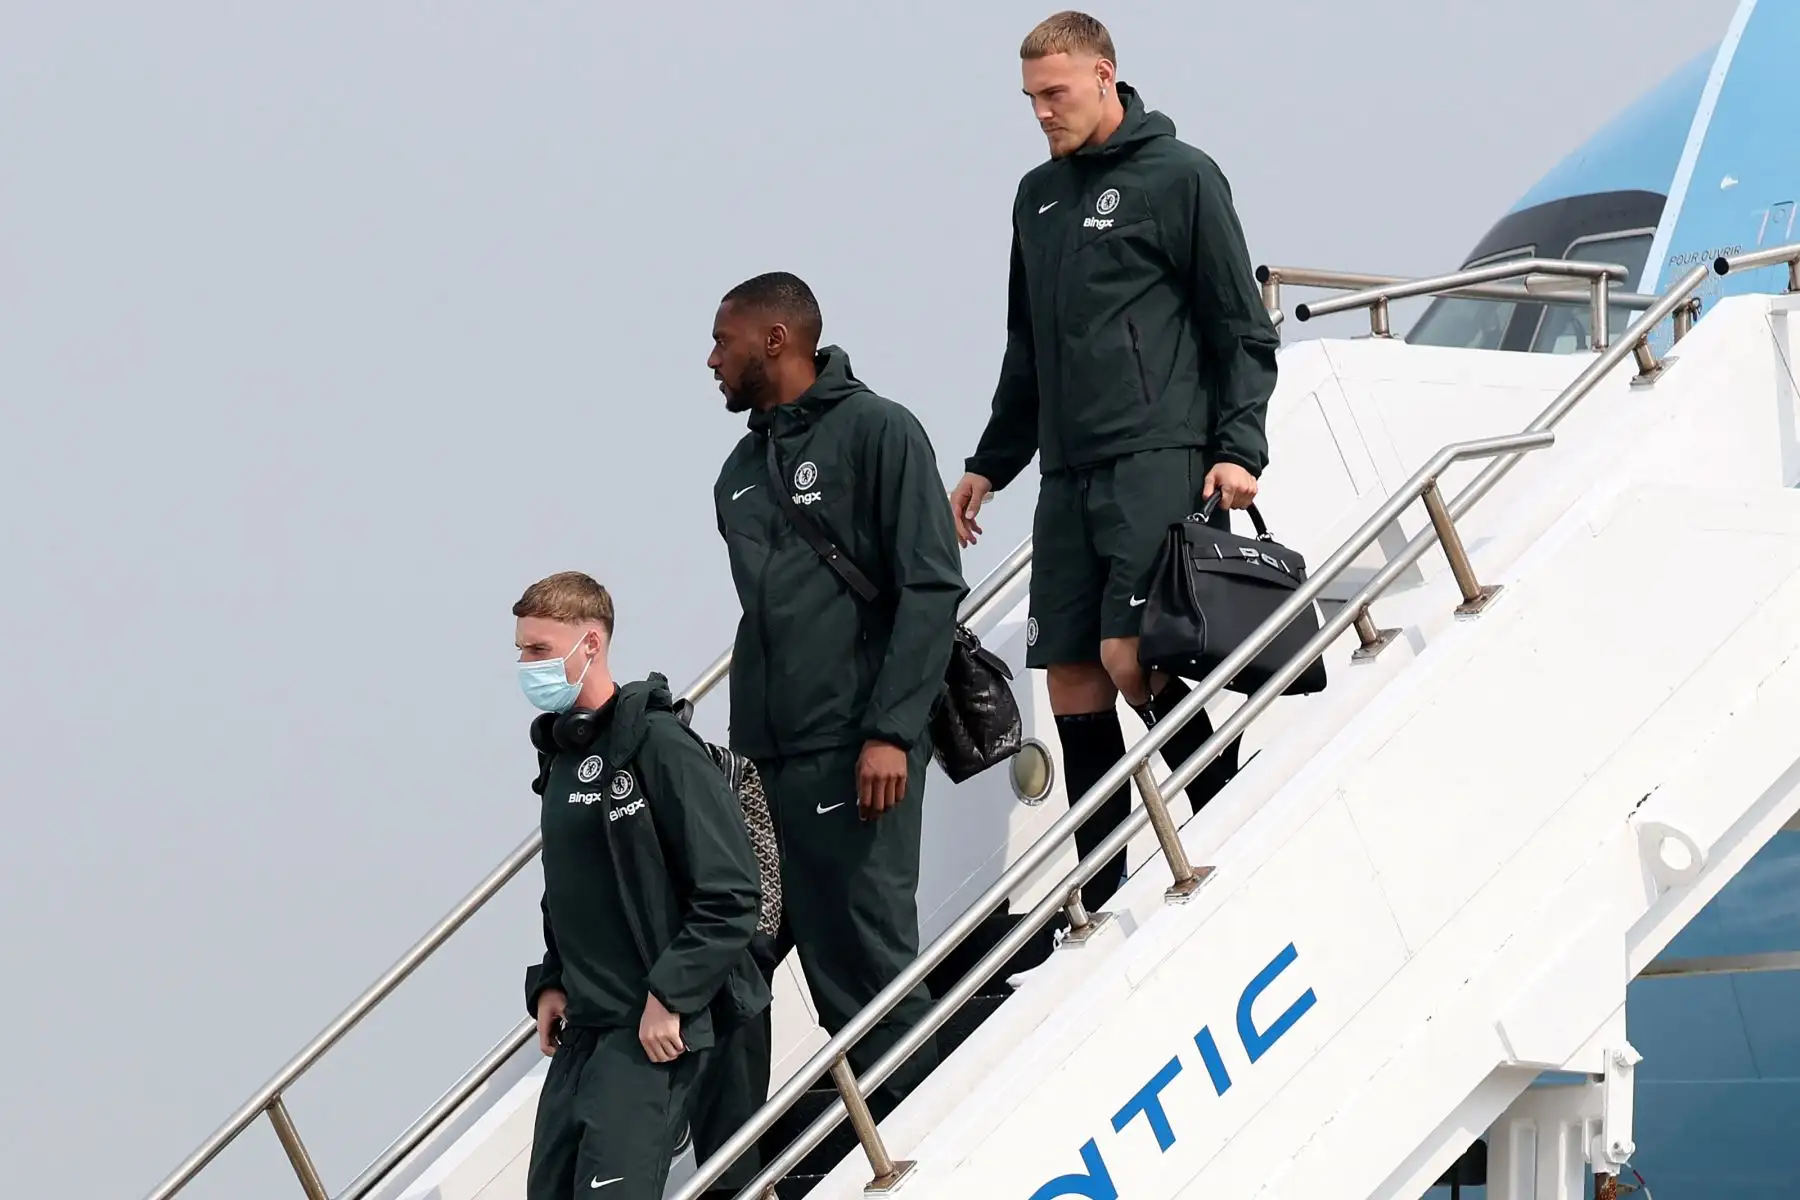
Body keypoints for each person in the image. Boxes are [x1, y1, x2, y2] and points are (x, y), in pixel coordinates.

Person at [949, 11, 1281, 912]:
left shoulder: (1181, 176)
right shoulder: (1037, 197)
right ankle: (1097, 888)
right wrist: (990, 463)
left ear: (1105, 77)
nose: (1041, 113)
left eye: (1054, 93)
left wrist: (1238, 448)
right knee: (1071, 674)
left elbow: (1240, 328)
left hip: (1155, 455)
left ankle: (1228, 815)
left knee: (1130, 654)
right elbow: (1027, 347)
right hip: (1067, 474)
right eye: (1030, 99)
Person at [707, 271, 967, 1115]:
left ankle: (933, 1145)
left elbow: (930, 587)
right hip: (763, 763)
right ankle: (734, 1165)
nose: (712, 360)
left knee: (862, 973)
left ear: (776, 339)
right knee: (725, 966)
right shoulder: (738, 471)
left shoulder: (880, 430)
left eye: (723, 341)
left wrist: (890, 730)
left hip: (856, 750)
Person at [514, 571, 770, 1200]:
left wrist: (671, 995)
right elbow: (571, 888)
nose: (526, 666)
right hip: (582, 1034)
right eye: (521, 650)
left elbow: (732, 892)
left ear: (591, 644)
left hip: (647, 1032)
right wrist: (551, 980)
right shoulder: (562, 757)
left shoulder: (659, 742)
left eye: (540, 650)